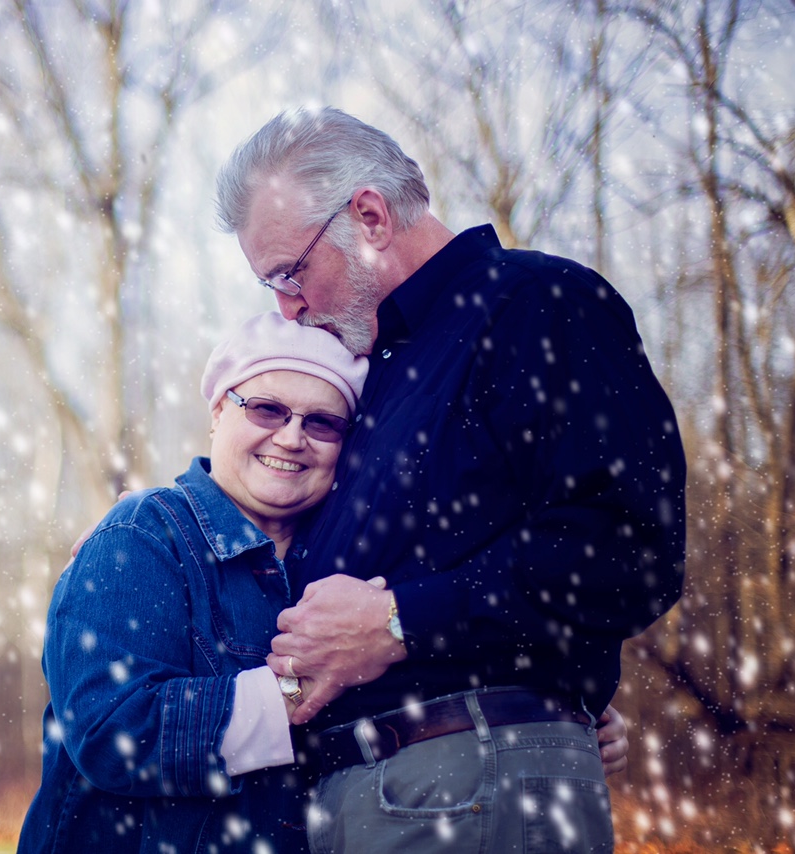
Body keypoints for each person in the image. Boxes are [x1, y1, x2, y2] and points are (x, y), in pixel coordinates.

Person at [213, 107, 686, 853]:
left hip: (463, 792)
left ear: (368, 216)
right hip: (357, 802)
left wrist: (404, 623)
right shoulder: (370, 379)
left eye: (289, 273)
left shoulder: (535, 305)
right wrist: (155, 537)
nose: (286, 307)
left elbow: (629, 550)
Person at [18, 312, 369, 853]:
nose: (293, 436)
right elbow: (113, 730)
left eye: (323, 422)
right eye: (267, 409)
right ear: (218, 411)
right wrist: (289, 696)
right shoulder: (143, 535)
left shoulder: (340, 574)